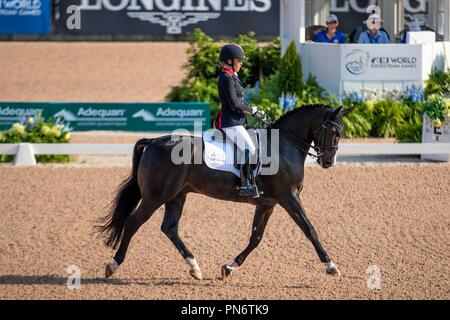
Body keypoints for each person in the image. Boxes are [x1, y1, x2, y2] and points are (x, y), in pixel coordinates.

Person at [215, 44, 264, 197]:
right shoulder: (226, 77)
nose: (241, 64)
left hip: (238, 121)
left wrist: (254, 110)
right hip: (230, 123)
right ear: (229, 61)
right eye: (239, 61)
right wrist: (251, 111)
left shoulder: (232, 76)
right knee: (250, 149)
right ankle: (245, 184)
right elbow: (234, 104)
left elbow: (239, 100)